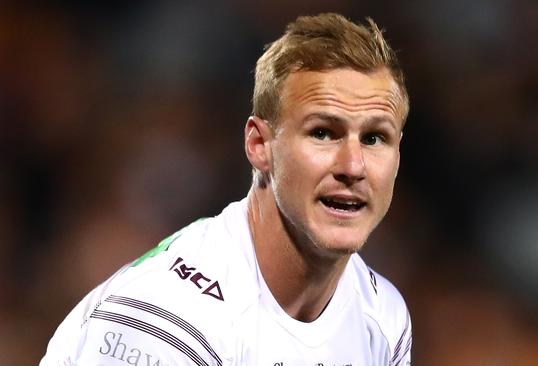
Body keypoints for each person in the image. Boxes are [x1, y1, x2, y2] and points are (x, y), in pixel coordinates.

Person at [41, 12, 412, 366]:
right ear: (259, 146)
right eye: (322, 133)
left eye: (375, 138)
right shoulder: (167, 321)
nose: (352, 166)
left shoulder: (382, 318)